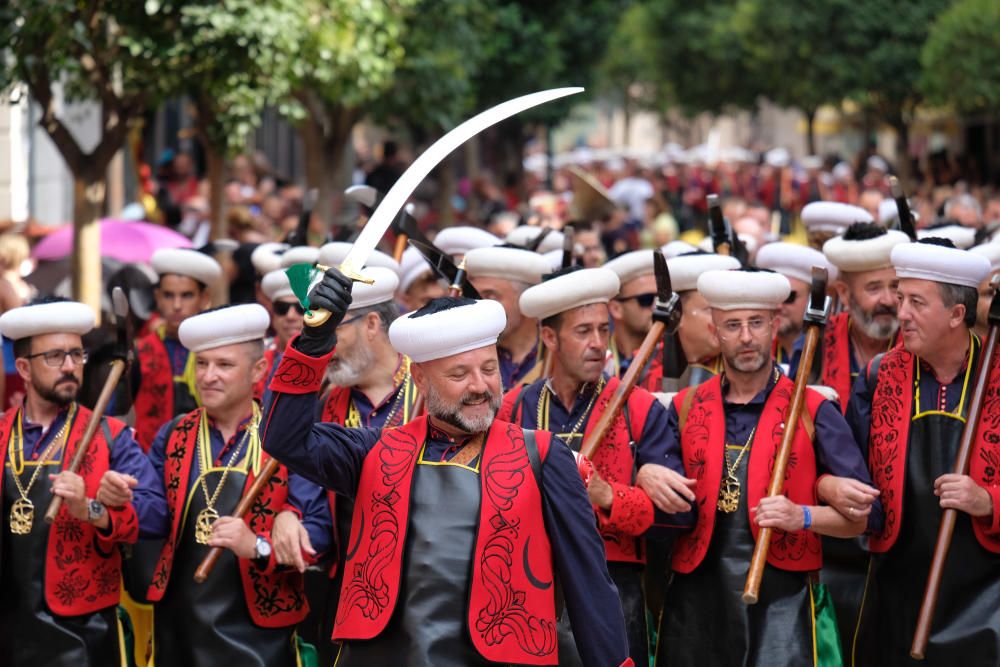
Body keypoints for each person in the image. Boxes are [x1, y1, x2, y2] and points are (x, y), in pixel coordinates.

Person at [261, 266, 635, 666]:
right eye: (459, 374)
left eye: (489, 369)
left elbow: (589, 584)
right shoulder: (374, 450)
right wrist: (314, 342)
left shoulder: (543, 457)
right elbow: (284, 438)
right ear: (419, 378)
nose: (479, 386)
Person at [651, 268, 878, 666]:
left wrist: (803, 514)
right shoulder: (685, 407)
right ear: (714, 329)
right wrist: (645, 473)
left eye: (756, 323)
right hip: (696, 602)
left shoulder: (813, 410)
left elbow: (864, 517)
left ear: (774, 326)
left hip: (784, 600)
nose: (745, 337)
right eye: (733, 325)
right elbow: (659, 501)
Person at [499, 266, 695, 666]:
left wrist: (610, 494)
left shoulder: (639, 408)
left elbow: (681, 518)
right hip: (531, 587)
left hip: (614, 591)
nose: (598, 344)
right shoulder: (515, 407)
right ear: (550, 337)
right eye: (582, 331)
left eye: (603, 330)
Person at [145, 304, 332, 667]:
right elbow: (151, 516)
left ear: (259, 368)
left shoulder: (287, 439)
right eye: (202, 364)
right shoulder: (173, 434)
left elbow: (319, 535)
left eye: (224, 365)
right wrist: (108, 503)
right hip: (178, 628)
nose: (208, 376)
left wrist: (258, 546)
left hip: (258, 639)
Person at [849, 239, 1000, 665]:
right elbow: (844, 468)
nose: (901, 314)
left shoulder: (997, 373)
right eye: (901, 299)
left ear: (956, 314)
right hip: (894, 587)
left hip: (985, 594)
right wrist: (836, 487)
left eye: (917, 302)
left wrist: (988, 499)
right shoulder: (880, 375)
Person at [0, 299, 167, 666]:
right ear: (25, 368)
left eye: (77, 354)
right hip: (7, 628)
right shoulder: (0, 434)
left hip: (82, 633)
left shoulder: (111, 436)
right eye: (56, 356)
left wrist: (95, 509)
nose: (71, 367)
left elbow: (156, 516)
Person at [133, 248, 222, 450]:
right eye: (168, 295)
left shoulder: (219, 350)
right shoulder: (141, 350)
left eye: (187, 295)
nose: (177, 305)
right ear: (157, 297)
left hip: (205, 459)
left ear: (204, 297)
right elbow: (116, 413)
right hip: (151, 462)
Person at [819, 223, 909, 409]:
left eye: (894, 286)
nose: (888, 300)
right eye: (874, 288)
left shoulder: (920, 344)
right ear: (844, 293)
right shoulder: (817, 343)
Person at [464, 245, 550, 387]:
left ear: (526, 300)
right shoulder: (465, 358)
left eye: (490, 296)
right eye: (474, 297)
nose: (478, 306)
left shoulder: (556, 357)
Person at [755, 242, 839, 373]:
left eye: (789, 297)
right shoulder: (754, 348)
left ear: (814, 299)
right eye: (773, 296)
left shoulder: (835, 348)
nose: (778, 306)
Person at [256, 269, 305, 400]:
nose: (290, 316)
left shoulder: (334, 360)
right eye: (282, 308)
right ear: (273, 315)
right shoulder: (258, 358)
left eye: (301, 308)